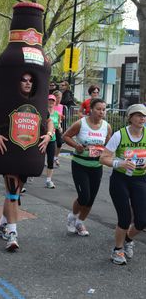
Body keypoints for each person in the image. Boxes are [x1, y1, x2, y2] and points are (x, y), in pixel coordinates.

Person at [0, 73, 53, 251]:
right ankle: (12, 233)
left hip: (28, 154)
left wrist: (49, 136)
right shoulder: (6, 100)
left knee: (16, 192)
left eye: (30, 80)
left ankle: (4, 221)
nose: (27, 83)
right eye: (24, 79)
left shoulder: (37, 102)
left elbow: (50, 120)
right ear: (17, 82)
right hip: (9, 152)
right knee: (12, 192)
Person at [100, 104, 146, 265]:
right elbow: (103, 158)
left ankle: (128, 238)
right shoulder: (120, 135)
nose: (142, 118)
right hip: (120, 179)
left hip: (140, 180)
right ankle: (117, 250)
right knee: (125, 218)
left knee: (141, 220)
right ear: (130, 118)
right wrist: (120, 164)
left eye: (144, 115)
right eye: (138, 115)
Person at [63, 98, 112, 236]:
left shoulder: (106, 126)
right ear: (90, 109)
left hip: (96, 166)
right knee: (84, 196)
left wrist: (107, 153)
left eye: (104, 109)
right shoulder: (81, 123)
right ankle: (72, 217)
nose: (101, 112)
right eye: (98, 109)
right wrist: (76, 146)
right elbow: (66, 136)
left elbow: (108, 144)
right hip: (80, 164)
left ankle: (79, 223)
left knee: (91, 199)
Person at [53, 90, 64, 166]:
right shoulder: (50, 105)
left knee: (59, 143)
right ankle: (48, 158)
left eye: (60, 97)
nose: (59, 99)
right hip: (50, 127)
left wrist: (60, 124)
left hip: (57, 126)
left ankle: (56, 157)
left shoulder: (61, 106)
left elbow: (60, 117)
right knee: (50, 144)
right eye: (57, 97)